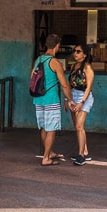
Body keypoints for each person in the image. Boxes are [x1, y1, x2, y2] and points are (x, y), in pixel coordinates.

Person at [31, 33, 75, 166]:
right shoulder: (54, 62)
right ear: (57, 46)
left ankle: (49, 152)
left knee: (44, 127)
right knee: (52, 129)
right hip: (51, 99)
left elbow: (32, 78)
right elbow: (64, 84)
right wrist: (70, 99)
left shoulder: (38, 60)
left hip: (38, 99)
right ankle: (46, 158)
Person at [67, 45, 95, 166]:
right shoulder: (73, 66)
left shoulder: (87, 67)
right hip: (73, 96)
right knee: (77, 126)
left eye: (78, 51)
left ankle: (81, 156)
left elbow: (89, 87)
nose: (75, 53)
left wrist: (82, 102)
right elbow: (69, 84)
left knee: (79, 126)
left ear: (85, 54)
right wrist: (67, 99)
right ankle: (85, 152)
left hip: (84, 97)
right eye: (74, 51)